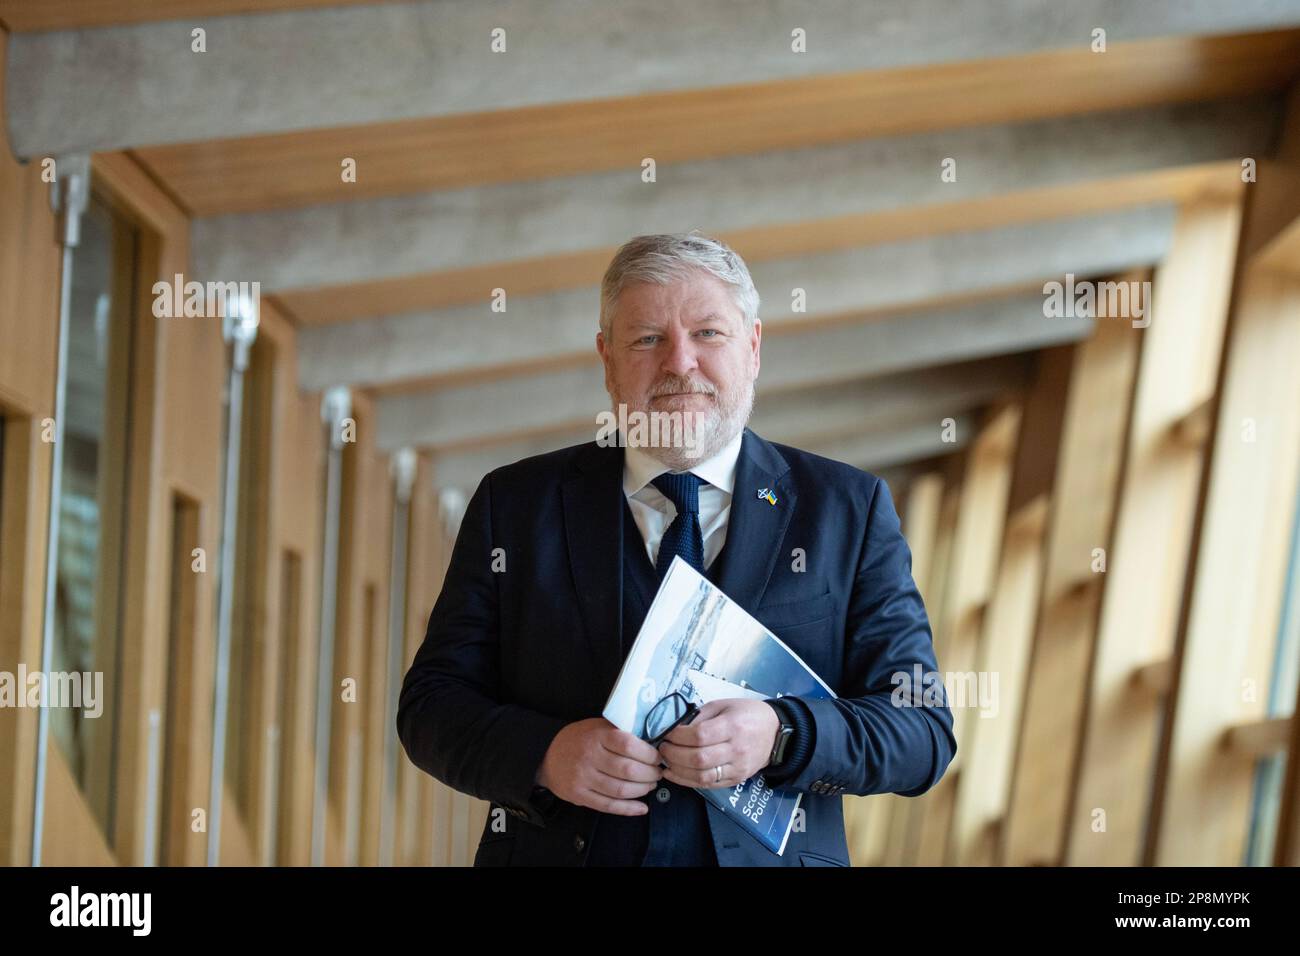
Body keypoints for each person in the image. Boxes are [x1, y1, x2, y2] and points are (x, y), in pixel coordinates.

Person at [396, 232, 956, 866]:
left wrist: (784, 733)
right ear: (607, 359)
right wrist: (546, 755)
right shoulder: (515, 506)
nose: (680, 363)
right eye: (647, 339)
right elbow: (430, 708)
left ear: (753, 347)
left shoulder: (848, 510)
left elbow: (923, 731)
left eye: (708, 334)